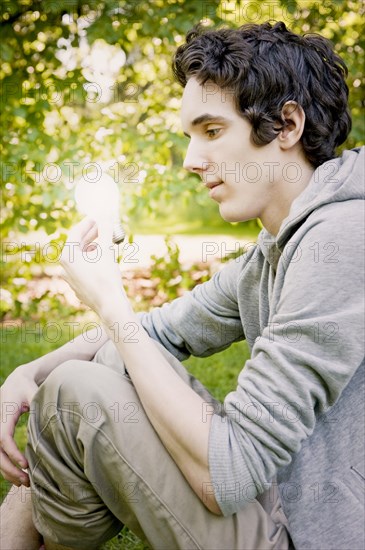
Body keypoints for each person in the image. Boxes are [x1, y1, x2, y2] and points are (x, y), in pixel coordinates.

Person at [1, 20, 364, 550]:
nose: (193, 161)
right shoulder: (274, 252)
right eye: (190, 138)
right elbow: (160, 330)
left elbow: (229, 476)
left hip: (318, 536)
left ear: (287, 125)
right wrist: (23, 374)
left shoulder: (344, 239)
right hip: (285, 504)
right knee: (92, 371)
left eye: (212, 131)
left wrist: (110, 303)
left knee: (78, 393)